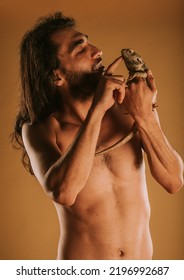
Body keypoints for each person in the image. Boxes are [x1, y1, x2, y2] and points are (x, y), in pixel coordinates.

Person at [12, 12, 183, 260]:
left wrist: (145, 116)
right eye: (80, 50)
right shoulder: (41, 129)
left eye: (88, 42)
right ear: (56, 76)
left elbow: (174, 181)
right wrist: (97, 110)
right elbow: (64, 193)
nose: (97, 51)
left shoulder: (129, 107)